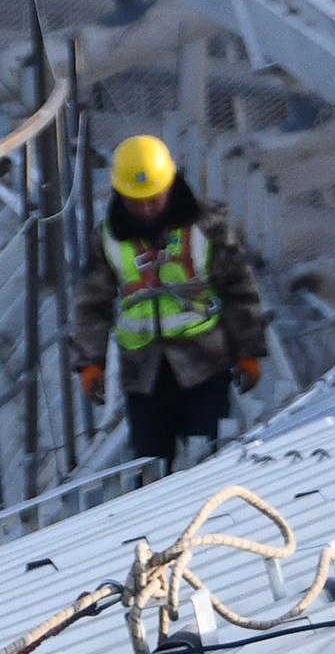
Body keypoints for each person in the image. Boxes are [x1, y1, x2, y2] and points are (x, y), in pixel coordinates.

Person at [71, 132, 269, 475]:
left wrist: (248, 351)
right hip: (144, 375)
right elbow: (93, 304)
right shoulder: (107, 239)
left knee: (206, 457)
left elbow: (239, 289)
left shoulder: (206, 226)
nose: (146, 209)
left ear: (170, 186)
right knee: (149, 466)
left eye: (153, 198)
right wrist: (91, 363)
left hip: (205, 364)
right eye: (136, 201)